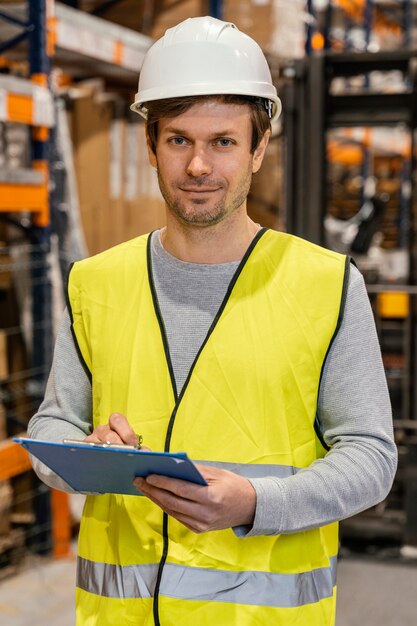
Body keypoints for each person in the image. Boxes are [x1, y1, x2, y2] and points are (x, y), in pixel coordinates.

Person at [28, 15, 397, 626]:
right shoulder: (96, 282)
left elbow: (370, 457)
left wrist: (257, 502)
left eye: (222, 141)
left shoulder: (326, 285)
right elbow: (53, 427)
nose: (198, 165)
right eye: (178, 140)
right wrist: (86, 453)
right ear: (152, 146)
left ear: (258, 149)